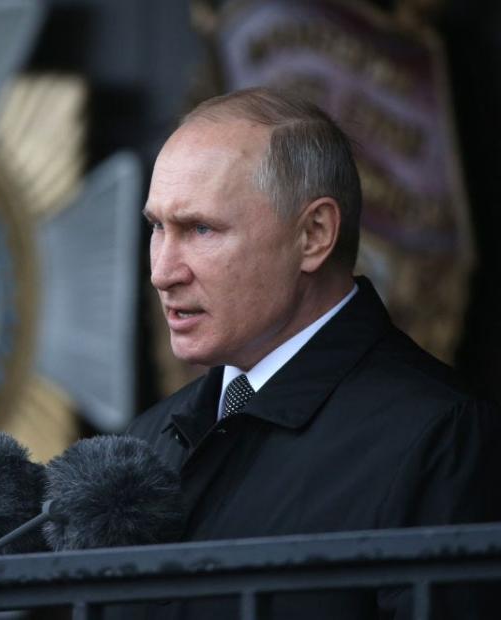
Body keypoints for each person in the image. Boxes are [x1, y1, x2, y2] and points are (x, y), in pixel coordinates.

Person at [127, 87, 501, 618]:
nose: (163, 271)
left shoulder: (440, 440)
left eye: (201, 229)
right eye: (158, 228)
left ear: (314, 234)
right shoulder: (141, 447)